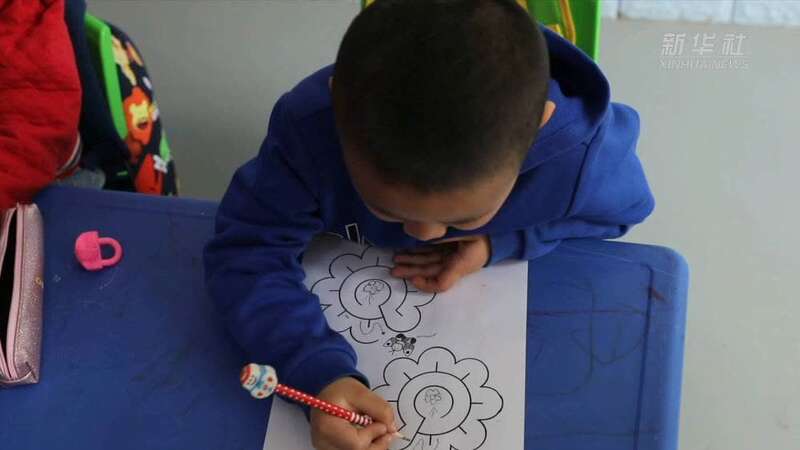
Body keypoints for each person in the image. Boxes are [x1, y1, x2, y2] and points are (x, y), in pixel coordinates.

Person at [205, 1, 653, 449]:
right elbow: (247, 252)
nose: (424, 236)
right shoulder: (308, 135)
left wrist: (500, 242)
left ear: (537, 129)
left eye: (462, 219)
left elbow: (622, 210)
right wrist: (317, 371)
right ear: (338, 107)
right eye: (388, 211)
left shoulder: (576, 157)